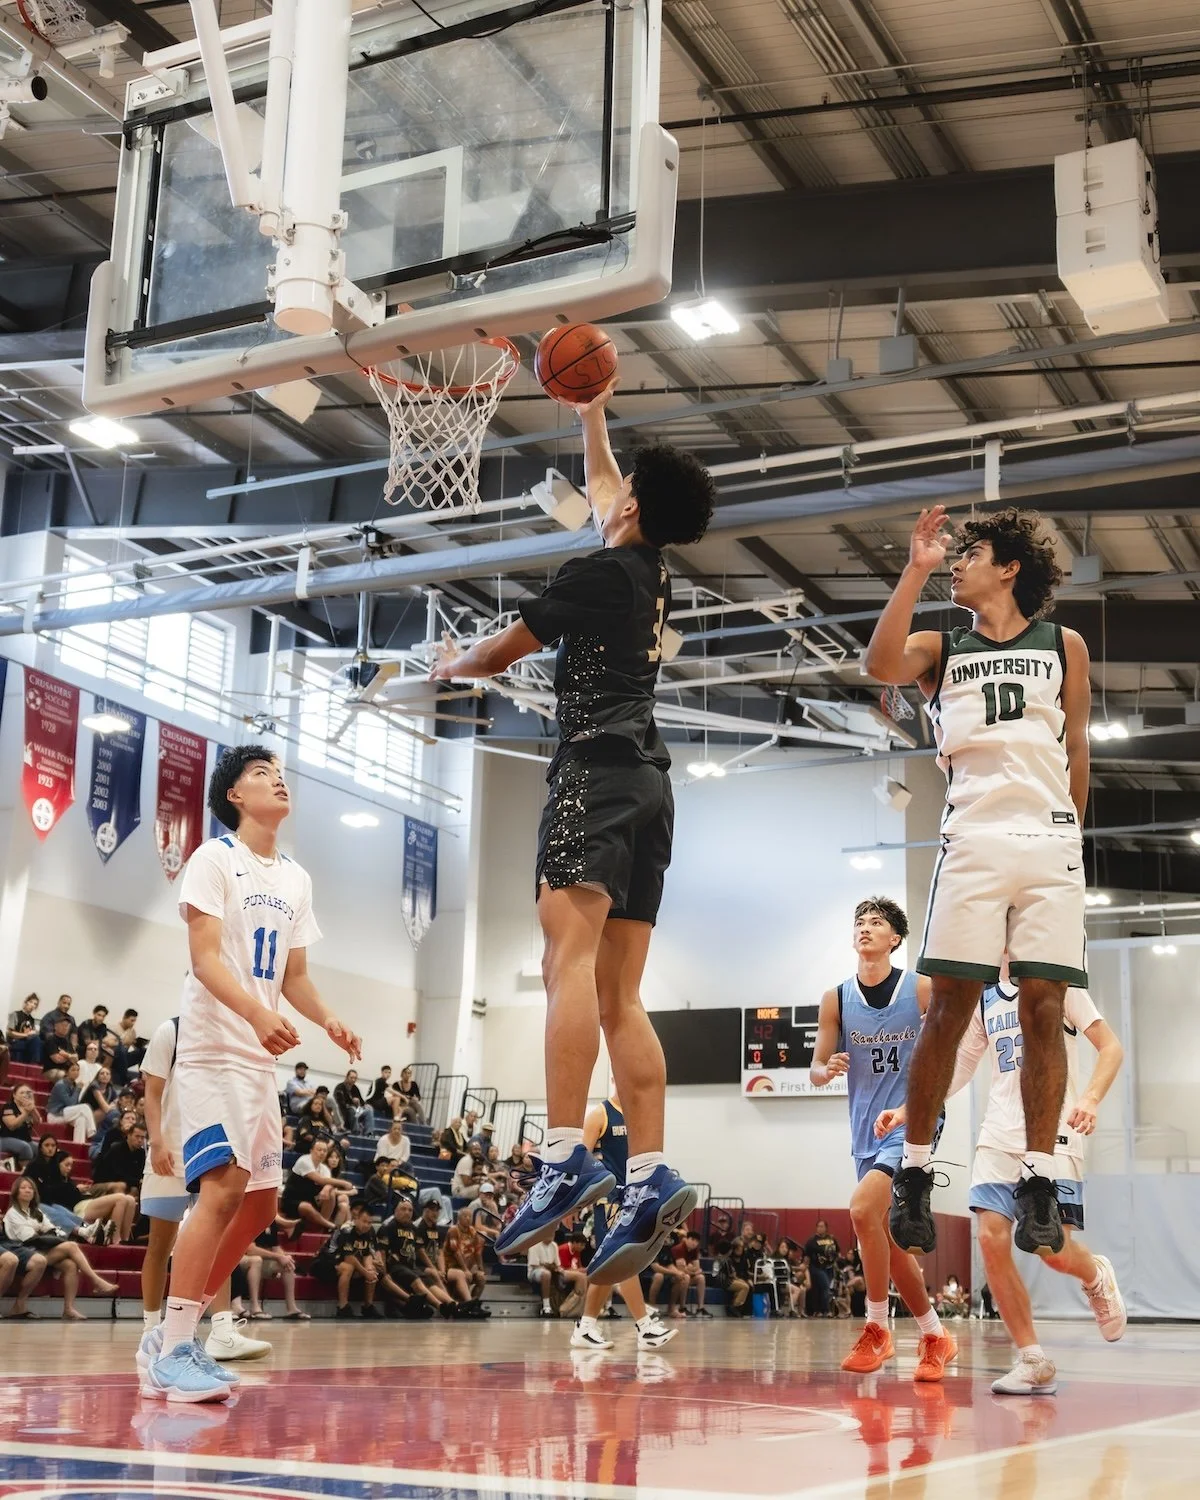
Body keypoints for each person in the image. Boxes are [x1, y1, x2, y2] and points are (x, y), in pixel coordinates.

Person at [432, 382, 714, 1283]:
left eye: (622, 490)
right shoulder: (649, 569)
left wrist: (451, 667)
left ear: (633, 508)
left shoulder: (596, 575)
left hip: (593, 774)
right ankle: (649, 1169)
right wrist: (591, 414)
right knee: (621, 993)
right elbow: (604, 492)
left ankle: (563, 1157)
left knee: (567, 964)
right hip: (650, 786)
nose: (610, 492)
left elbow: (498, 652)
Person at [865, 505, 1091, 1260]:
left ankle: (1038, 1178)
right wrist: (914, 570)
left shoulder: (1064, 646)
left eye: (971, 553)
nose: (957, 563)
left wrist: (1072, 835)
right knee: (951, 1009)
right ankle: (916, 1171)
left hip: (1049, 841)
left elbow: (1077, 748)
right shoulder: (941, 645)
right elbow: (878, 665)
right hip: (972, 837)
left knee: (1044, 1008)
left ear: (1010, 568)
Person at [141, 745, 361, 1403]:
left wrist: (329, 1019)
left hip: (258, 1058)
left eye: (281, 773)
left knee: (261, 1203)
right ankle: (174, 1347)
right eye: (262, 774)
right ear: (234, 795)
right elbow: (205, 960)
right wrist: (256, 1014)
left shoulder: (296, 878)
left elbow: (295, 977)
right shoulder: (214, 858)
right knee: (223, 1188)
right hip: (214, 1047)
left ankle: (174, 1333)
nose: (278, 781)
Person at [877, 966, 1126, 1395]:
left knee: (1052, 1251)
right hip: (997, 1135)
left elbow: (1111, 1047)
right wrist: (910, 1109)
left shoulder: (1059, 983)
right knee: (991, 1239)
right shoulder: (985, 997)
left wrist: (1090, 1098)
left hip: (1053, 1133)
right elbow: (958, 1065)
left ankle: (1095, 1273)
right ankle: (1032, 1359)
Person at [810, 896, 957, 1380]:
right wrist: (826, 1069)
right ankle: (935, 1335)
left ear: (895, 938)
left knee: (860, 1210)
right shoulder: (836, 998)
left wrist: (917, 1105)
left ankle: (876, 1327)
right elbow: (815, 1068)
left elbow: (946, 1055)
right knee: (890, 1247)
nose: (865, 928)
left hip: (912, 1124)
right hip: (865, 1130)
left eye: (876, 922)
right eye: (860, 922)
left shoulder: (920, 988)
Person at [138, 1014, 268, 1384]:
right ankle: (151, 1330)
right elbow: (152, 1092)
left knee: (213, 1242)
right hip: (168, 1153)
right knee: (159, 1245)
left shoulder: (231, 1033)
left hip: (210, 1147)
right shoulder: (171, 1030)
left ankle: (221, 1328)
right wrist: (157, 1142)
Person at [3, 1178, 118, 1319]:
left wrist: (43, 1232)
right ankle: (96, 1281)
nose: (27, 1190)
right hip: (23, 1252)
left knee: (70, 1265)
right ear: (16, 1193)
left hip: (38, 1249)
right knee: (71, 1245)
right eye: (23, 1188)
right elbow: (29, 1238)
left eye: (30, 1188)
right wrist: (43, 1232)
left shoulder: (36, 1212)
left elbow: (52, 1230)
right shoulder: (12, 1214)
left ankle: (69, 1309)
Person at [35, 1147, 137, 1245]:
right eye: (66, 1165)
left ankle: (125, 1238)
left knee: (130, 1199)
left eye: (71, 1165)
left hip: (85, 1202)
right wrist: (76, 1190)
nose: (69, 1168)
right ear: (57, 1164)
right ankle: (115, 1239)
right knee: (120, 1198)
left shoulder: (68, 1180)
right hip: (78, 1209)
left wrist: (79, 1190)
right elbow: (56, 1200)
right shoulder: (52, 1181)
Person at [379, 1196, 455, 1317]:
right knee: (417, 1280)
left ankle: (453, 1304)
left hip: (411, 1266)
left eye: (410, 1210)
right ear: (395, 1211)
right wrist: (384, 1272)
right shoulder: (388, 1227)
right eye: (403, 1209)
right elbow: (381, 1252)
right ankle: (440, 1306)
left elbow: (419, 1249)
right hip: (396, 1267)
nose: (407, 1212)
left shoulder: (413, 1229)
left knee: (429, 1282)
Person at [241, 1215, 307, 1321]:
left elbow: (276, 1248)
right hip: (241, 1259)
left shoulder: (271, 1221)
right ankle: (255, 1307)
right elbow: (250, 1250)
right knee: (256, 1260)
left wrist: (285, 1257)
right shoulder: (251, 1219)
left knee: (287, 1264)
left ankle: (291, 1308)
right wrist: (278, 1257)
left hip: (263, 1260)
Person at [323, 1204, 383, 1319]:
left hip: (346, 1262)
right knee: (348, 1267)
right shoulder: (346, 1230)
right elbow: (349, 1257)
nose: (367, 1225)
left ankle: (368, 1306)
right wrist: (366, 1273)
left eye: (369, 1223)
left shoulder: (369, 1232)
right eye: (364, 1221)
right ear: (356, 1219)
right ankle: (342, 1307)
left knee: (371, 1268)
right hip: (326, 1261)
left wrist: (369, 1269)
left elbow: (366, 1254)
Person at [280, 1137, 351, 1233]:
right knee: (306, 1207)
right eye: (319, 1150)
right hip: (292, 1200)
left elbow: (328, 1183)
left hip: (310, 1199)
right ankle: (328, 1225)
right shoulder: (304, 1161)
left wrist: (326, 1188)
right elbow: (320, 1179)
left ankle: (321, 1228)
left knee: (331, 1193)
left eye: (325, 1151)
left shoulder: (324, 1168)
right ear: (311, 1151)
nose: (322, 1153)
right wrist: (343, 1183)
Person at [445, 1206, 490, 1315]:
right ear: (459, 1218)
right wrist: (465, 1269)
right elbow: (456, 1252)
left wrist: (481, 1269)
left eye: (470, 1216)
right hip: (452, 1267)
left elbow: (477, 1252)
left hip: (468, 1267)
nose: (468, 1218)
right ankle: (468, 1305)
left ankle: (473, 1304)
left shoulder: (472, 1231)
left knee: (481, 1278)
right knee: (464, 1275)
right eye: (465, 1216)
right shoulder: (453, 1230)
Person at [46, 1062, 97, 1144]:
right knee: (85, 1107)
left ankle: (78, 1145)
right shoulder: (60, 1085)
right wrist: (78, 1089)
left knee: (81, 1119)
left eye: (78, 1070)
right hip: (55, 1115)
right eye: (73, 1070)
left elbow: (75, 1104)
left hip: (66, 1113)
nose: (76, 1072)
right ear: (66, 1072)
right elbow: (70, 1104)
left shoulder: (74, 1085)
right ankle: (91, 1131)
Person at [803, 1220, 840, 1316]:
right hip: (817, 1267)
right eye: (818, 1226)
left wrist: (836, 1262)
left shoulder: (832, 1239)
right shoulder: (812, 1241)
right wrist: (806, 1268)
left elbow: (837, 1252)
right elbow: (806, 1256)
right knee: (825, 1285)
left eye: (822, 1226)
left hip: (829, 1267)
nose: (820, 1228)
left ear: (826, 1228)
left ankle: (819, 1310)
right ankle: (826, 1310)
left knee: (823, 1289)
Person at [2, 1084, 41, 1165]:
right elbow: (12, 1126)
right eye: (22, 1092)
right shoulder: (8, 1107)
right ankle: (24, 1170)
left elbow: (38, 1121)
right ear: (14, 1095)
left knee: (43, 1150)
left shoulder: (29, 1107)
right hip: (5, 1138)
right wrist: (26, 1113)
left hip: (26, 1139)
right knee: (25, 1147)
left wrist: (33, 1107)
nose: (25, 1095)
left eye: (28, 1092)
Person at [334, 1069, 373, 1135]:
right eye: (351, 1078)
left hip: (357, 1110)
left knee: (369, 1109)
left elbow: (362, 1102)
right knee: (352, 1109)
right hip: (346, 1111)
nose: (353, 1080)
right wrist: (351, 1102)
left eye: (355, 1078)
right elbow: (340, 1103)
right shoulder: (340, 1088)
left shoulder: (355, 1088)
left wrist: (362, 1104)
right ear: (347, 1077)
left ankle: (368, 1132)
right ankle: (356, 1131)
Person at [7, 995, 40, 1066]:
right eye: (31, 1002)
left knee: (38, 1041)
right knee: (35, 1040)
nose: (32, 1005)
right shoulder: (15, 1014)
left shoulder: (32, 1020)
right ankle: (34, 1064)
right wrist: (27, 1035)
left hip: (27, 1043)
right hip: (15, 1042)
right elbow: (9, 1033)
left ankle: (33, 1065)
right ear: (26, 1002)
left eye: (35, 1004)